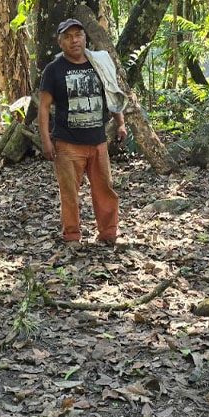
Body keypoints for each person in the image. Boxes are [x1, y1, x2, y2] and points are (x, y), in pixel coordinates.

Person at [37, 18, 128, 248]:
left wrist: (120, 123)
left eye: (78, 35)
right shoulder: (53, 70)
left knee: (104, 188)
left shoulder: (99, 63)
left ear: (85, 38)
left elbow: (111, 92)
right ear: (60, 43)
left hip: (97, 140)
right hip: (67, 142)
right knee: (69, 192)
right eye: (68, 37)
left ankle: (108, 232)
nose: (74, 40)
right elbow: (44, 107)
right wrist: (46, 140)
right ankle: (72, 235)